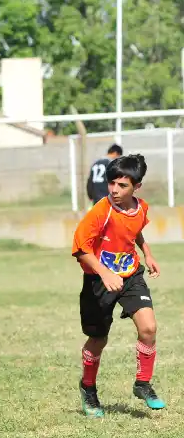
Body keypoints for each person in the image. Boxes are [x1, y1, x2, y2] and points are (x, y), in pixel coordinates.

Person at [72, 153, 164, 417]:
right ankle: (88, 388)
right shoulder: (101, 210)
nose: (114, 189)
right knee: (98, 339)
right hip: (98, 280)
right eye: (112, 183)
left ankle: (143, 383)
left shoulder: (140, 207)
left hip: (130, 274)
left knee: (149, 328)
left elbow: (134, 230)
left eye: (122, 185)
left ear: (137, 187)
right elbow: (80, 248)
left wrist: (147, 253)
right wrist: (105, 274)